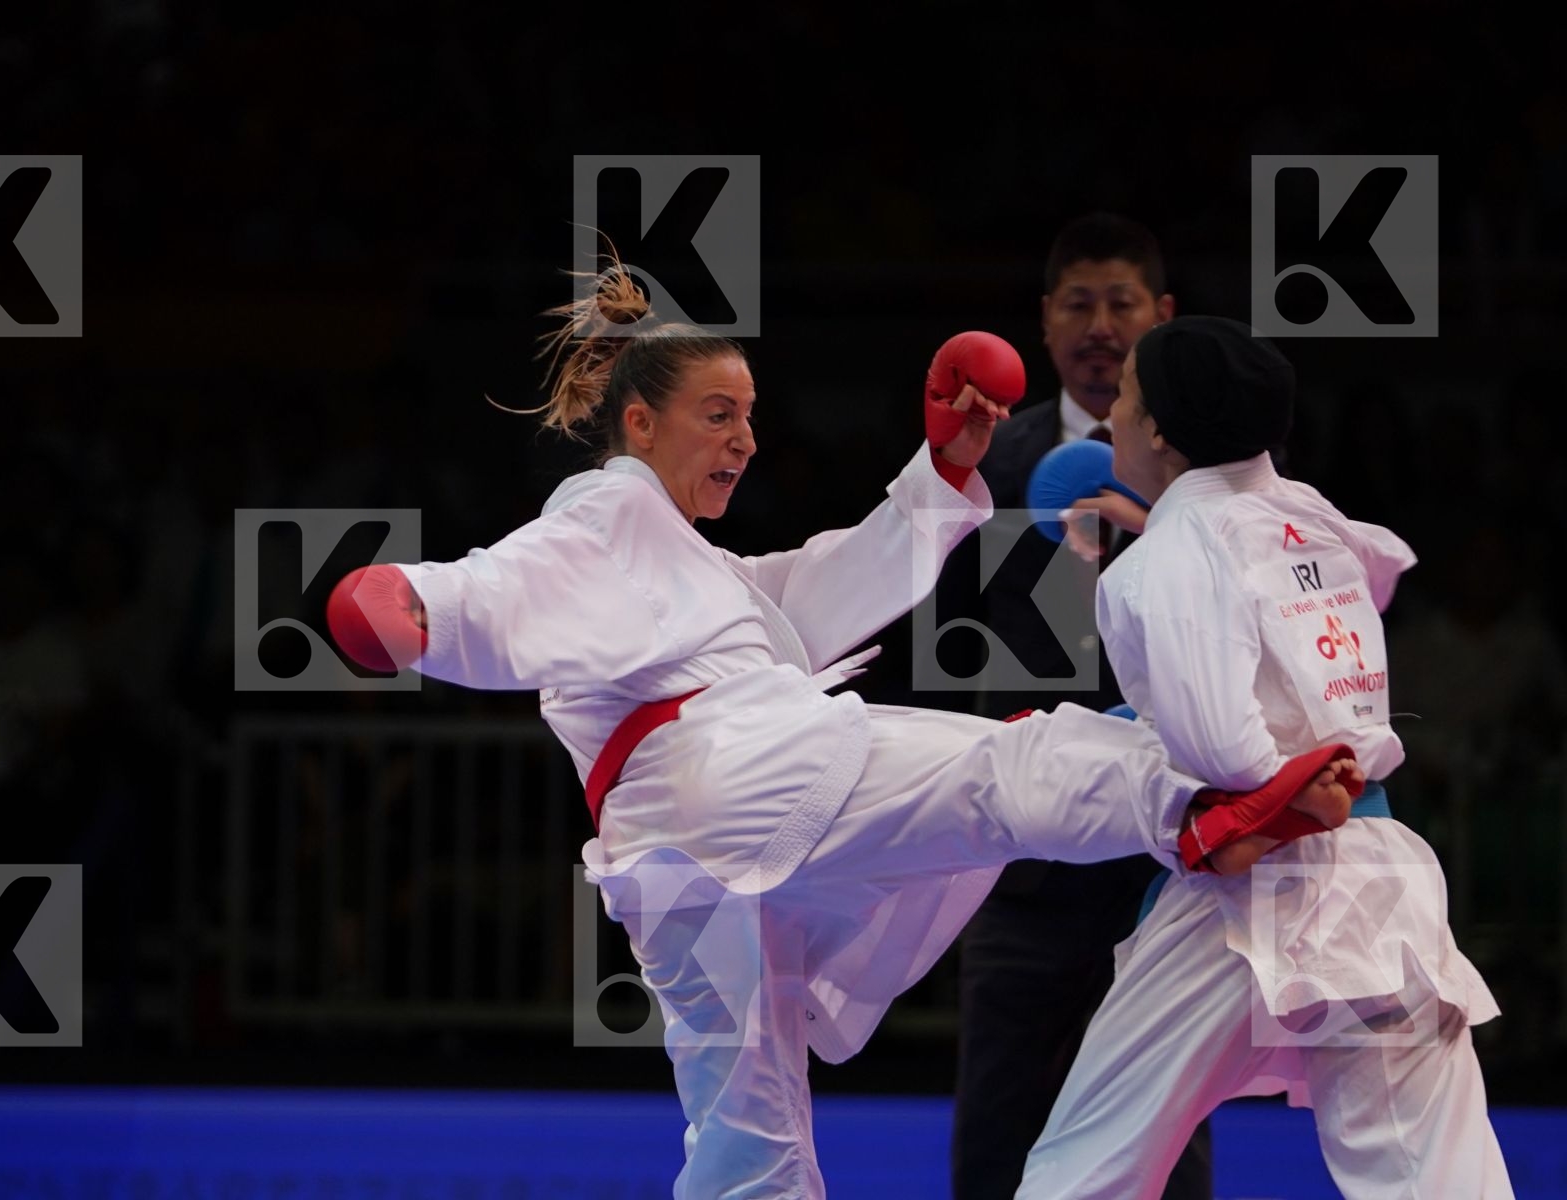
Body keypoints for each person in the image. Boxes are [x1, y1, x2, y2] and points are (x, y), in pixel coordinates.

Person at [327, 262, 1360, 1199]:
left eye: (751, 415)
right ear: (638, 427)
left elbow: (813, 587)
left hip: (676, 870)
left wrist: (943, 473)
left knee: (750, 1150)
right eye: (718, 415)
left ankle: (1199, 805)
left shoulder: (692, 572)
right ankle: (1203, 803)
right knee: (1007, 764)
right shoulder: (606, 516)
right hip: (739, 777)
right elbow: (503, 583)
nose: (746, 440)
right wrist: (411, 604)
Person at [1016, 317, 1513, 1199]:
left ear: (1162, 428)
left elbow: (1225, 755)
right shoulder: (1310, 514)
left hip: (1244, 894)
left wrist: (1137, 705)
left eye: (1127, 396)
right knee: (1433, 1176)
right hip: (1378, 881)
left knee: (1086, 1170)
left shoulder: (1163, 561)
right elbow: (1383, 567)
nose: (1115, 418)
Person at [941, 213, 1213, 1200]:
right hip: (1021, 862)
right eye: (1079, 304)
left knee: (1164, 1140)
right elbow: (941, 638)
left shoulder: (1206, 472)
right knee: (997, 1133)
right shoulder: (985, 463)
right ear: (1046, 321)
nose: (1101, 326)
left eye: (1122, 304)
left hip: (1163, 864)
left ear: (1163, 316)